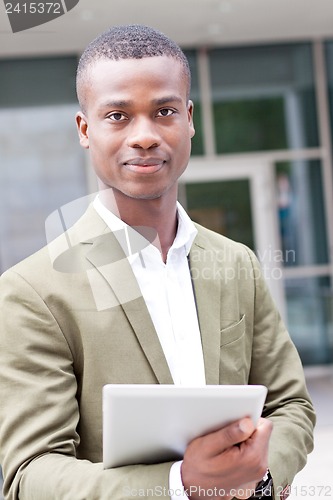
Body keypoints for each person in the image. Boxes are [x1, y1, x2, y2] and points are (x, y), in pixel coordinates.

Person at [0, 25, 315, 500]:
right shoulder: (32, 291)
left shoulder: (237, 264)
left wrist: (258, 477)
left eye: (164, 111)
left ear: (189, 119)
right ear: (86, 130)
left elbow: (291, 405)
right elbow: (30, 474)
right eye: (118, 115)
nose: (144, 136)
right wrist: (181, 485)